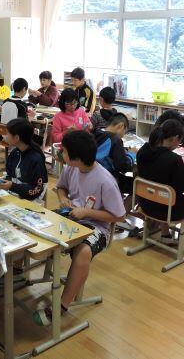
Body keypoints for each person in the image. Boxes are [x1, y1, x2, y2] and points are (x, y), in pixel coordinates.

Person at [34, 131, 124, 326]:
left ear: (76, 158)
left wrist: (87, 212)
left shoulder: (105, 180)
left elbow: (119, 215)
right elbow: (61, 187)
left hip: (96, 226)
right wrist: (63, 198)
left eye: (64, 151)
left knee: (83, 252)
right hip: (72, 215)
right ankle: (19, 269)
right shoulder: (72, 167)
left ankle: (62, 305)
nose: (61, 153)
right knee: (38, 221)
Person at [137, 119, 184, 246]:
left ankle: (165, 234)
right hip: (169, 212)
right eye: (180, 142)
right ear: (176, 138)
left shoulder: (143, 152)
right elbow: (182, 187)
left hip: (145, 205)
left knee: (162, 195)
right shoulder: (174, 159)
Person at [0, 118, 48, 202]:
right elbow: (10, 175)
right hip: (14, 194)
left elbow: (35, 191)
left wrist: (12, 186)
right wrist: (3, 181)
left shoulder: (35, 159)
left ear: (16, 138)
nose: (4, 136)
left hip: (31, 200)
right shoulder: (15, 153)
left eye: (7, 133)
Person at [94, 113, 135, 193]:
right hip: (107, 180)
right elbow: (123, 167)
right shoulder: (115, 139)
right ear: (121, 126)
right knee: (134, 184)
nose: (123, 136)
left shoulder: (95, 132)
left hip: (92, 176)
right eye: (125, 132)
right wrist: (132, 154)